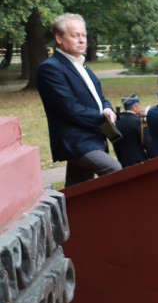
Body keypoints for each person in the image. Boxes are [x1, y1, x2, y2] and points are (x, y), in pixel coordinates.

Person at [36, 13, 122, 185]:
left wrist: (108, 108)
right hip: (76, 142)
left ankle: (73, 212)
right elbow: (69, 107)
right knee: (115, 170)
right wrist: (102, 118)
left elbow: (100, 98)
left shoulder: (82, 65)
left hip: (92, 138)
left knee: (77, 193)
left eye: (84, 35)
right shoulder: (50, 69)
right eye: (75, 35)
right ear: (59, 38)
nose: (82, 40)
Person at [112, 94, 149, 168]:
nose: (140, 107)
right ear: (134, 107)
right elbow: (147, 142)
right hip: (140, 161)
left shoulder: (116, 122)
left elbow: (115, 143)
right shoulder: (138, 121)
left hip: (123, 162)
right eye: (139, 105)